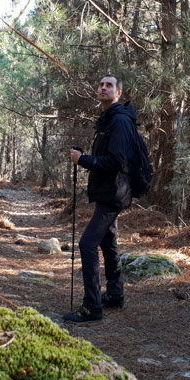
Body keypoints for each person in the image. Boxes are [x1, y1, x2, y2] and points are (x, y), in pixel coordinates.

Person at [63, 74, 138, 322]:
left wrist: (82, 160)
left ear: (118, 93)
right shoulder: (109, 119)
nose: (103, 87)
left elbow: (117, 161)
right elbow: (109, 156)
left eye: (109, 85)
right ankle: (115, 295)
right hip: (111, 191)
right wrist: (86, 156)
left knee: (87, 245)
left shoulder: (119, 122)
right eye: (101, 84)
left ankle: (92, 306)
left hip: (114, 193)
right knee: (109, 243)